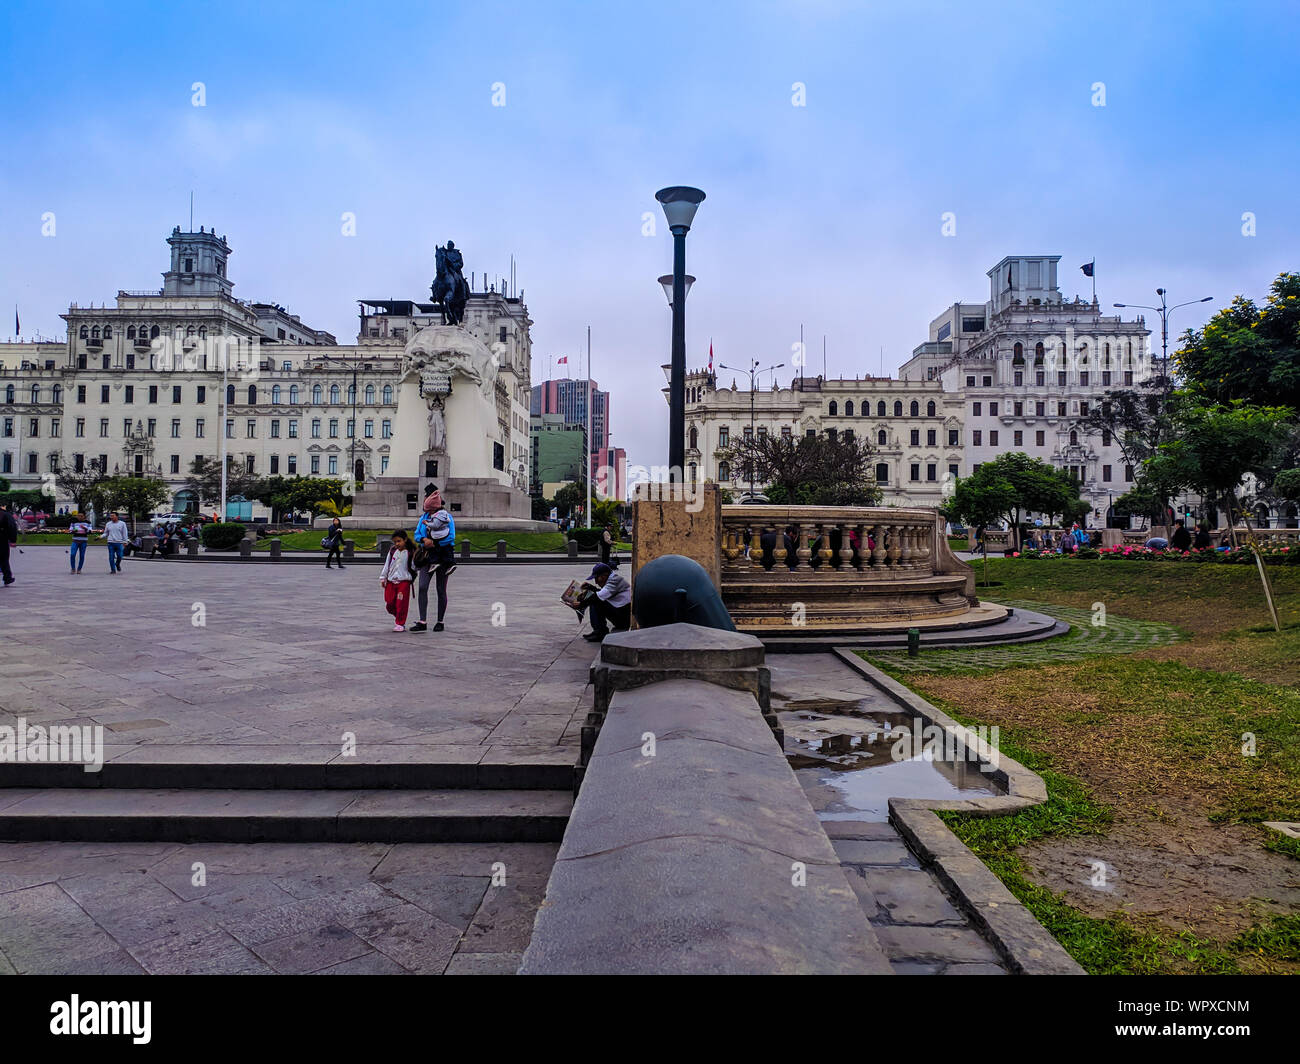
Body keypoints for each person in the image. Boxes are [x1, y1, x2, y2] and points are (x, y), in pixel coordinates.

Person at [410, 486, 456, 633]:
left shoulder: (447, 517)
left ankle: (440, 621)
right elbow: (417, 534)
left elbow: (451, 536)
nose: (427, 512)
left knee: (441, 589)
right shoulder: (423, 518)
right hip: (426, 556)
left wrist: (435, 543)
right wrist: (424, 540)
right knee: (423, 586)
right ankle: (422, 621)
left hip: (441, 557)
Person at [583, 562, 631, 642]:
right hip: (622, 615)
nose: (596, 582)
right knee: (596, 599)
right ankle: (598, 631)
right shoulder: (613, 579)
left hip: (625, 620)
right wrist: (591, 587)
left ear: (604, 575)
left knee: (596, 601)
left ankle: (600, 632)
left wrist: (581, 604)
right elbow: (603, 593)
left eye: (596, 578)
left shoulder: (615, 580)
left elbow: (598, 597)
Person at [379, 529, 416, 632]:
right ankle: (398, 616)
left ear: (405, 539)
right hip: (391, 581)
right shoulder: (392, 551)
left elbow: (414, 567)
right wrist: (383, 577)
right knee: (390, 604)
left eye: (399, 541)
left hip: (404, 581)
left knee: (401, 603)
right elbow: (387, 564)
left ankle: (400, 622)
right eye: (395, 542)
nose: (397, 544)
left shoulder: (410, 552)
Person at [0, 501, 17, 585]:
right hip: (2, 540)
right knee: (4, 559)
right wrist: (13, 540)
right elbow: (12, 527)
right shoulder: (5, 515)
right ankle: (7, 578)